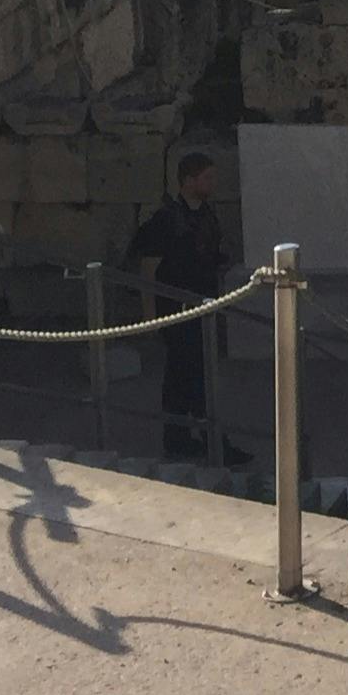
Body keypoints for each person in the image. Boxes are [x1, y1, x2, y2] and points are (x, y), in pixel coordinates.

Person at [127, 149, 242, 461]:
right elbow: (148, 269)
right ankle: (204, 441)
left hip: (202, 306)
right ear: (188, 181)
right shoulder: (165, 220)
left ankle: (185, 439)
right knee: (187, 376)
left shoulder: (206, 214)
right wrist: (151, 318)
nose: (212, 183)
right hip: (175, 309)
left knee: (188, 377)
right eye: (206, 177)